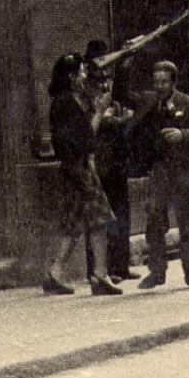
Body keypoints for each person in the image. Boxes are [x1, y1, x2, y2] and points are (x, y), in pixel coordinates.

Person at [41, 53, 122, 296]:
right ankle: (100, 275)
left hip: (72, 169)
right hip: (78, 169)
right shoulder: (66, 103)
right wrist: (99, 110)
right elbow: (86, 138)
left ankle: (54, 274)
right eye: (81, 71)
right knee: (100, 218)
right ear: (72, 76)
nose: (86, 75)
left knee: (73, 224)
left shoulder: (66, 100)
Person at [134, 61, 189, 290]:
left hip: (187, 170)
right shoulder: (151, 104)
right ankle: (157, 271)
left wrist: (183, 134)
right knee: (153, 215)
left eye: (164, 82)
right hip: (161, 170)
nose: (160, 86)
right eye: (156, 82)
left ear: (173, 82)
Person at [82, 42, 140, 284]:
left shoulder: (105, 84)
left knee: (121, 212)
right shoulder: (85, 88)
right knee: (100, 218)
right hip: (99, 158)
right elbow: (93, 122)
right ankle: (100, 269)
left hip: (116, 156)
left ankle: (121, 265)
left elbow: (120, 103)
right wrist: (115, 118)